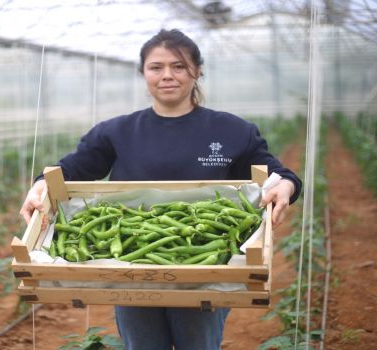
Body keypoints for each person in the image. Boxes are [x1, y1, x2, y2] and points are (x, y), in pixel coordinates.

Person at [20, 29, 302, 350]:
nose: (167, 75)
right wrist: (41, 186)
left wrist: (286, 185)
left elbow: (276, 173)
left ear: (197, 71)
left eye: (179, 66)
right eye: (156, 67)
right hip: (130, 262)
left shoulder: (231, 130)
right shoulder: (117, 131)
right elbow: (71, 169)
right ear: (143, 74)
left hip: (206, 263)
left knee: (198, 343)